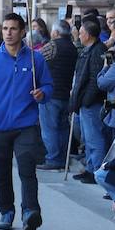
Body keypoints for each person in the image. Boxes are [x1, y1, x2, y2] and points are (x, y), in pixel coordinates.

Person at [0, 13, 51, 230]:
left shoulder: (36, 59)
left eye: (13, 29)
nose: (8, 33)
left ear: (22, 32)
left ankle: (30, 212)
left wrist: (42, 93)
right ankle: (6, 210)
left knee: (27, 168)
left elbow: (48, 85)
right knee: (2, 170)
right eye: (5, 28)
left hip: (26, 124)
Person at [69, 18, 110, 181]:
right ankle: (90, 166)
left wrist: (86, 100)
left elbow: (94, 79)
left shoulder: (97, 50)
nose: (78, 36)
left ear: (88, 34)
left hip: (92, 102)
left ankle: (96, 171)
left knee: (95, 138)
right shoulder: (89, 49)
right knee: (88, 137)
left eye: (81, 33)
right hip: (84, 100)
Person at [38, 19, 78, 170]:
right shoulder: (73, 48)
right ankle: (62, 157)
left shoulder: (52, 45)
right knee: (62, 127)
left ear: (55, 32)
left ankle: (53, 158)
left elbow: (36, 60)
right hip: (66, 92)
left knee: (49, 128)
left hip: (51, 92)